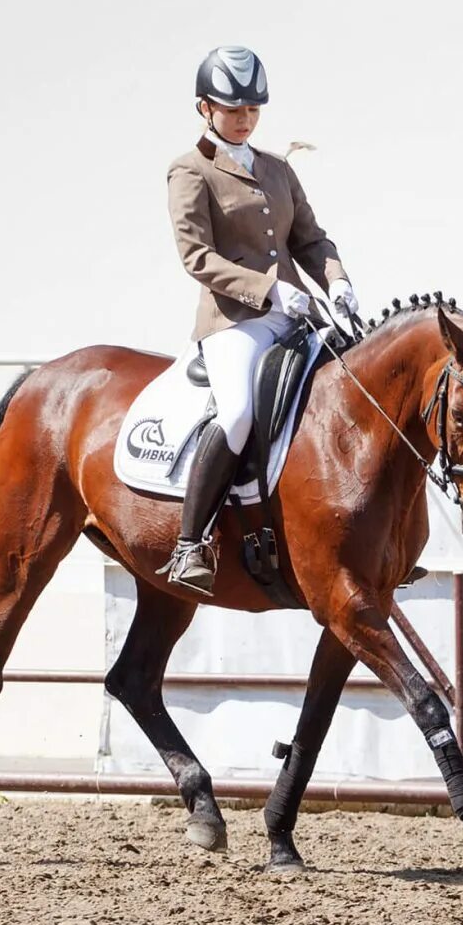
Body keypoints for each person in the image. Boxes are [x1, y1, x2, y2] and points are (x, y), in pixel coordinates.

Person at [159, 45, 358, 596]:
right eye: (232, 110)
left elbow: (310, 240)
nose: (244, 120)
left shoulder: (277, 168)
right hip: (234, 323)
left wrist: (336, 280)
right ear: (205, 108)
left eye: (253, 110)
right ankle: (189, 544)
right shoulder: (189, 170)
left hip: (297, 317)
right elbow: (196, 257)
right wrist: (270, 290)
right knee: (241, 412)